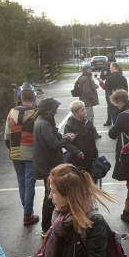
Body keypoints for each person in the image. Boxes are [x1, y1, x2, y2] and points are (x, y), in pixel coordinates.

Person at [33, 98, 79, 232]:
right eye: (54, 110)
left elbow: (54, 137)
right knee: (50, 198)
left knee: (50, 196)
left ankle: (48, 227)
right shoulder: (44, 124)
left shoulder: (43, 121)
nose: (55, 112)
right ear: (48, 111)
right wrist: (67, 138)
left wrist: (63, 136)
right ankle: (47, 228)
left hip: (46, 164)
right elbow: (54, 144)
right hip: (48, 166)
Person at [4, 83, 39, 226]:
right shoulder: (36, 113)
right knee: (30, 183)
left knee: (21, 182)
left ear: (20, 98)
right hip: (31, 152)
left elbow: (7, 136)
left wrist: (12, 149)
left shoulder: (12, 112)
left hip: (15, 151)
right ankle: (27, 215)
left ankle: (27, 210)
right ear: (34, 98)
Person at [109, 89, 129, 223]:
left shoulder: (123, 115)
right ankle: (126, 211)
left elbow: (112, 134)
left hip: (126, 153)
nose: (116, 106)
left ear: (120, 101)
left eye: (116, 103)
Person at [64, 100, 99, 174]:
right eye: (82, 110)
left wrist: (95, 154)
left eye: (84, 109)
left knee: (91, 179)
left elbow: (92, 140)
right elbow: (66, 143)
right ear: (75, 113)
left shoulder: (87, 122)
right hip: (78, 158)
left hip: (90, 156)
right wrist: (77, 151)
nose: (85, 111)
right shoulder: (70, 125)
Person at [76, 65, 101, 137]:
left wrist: (95, 86)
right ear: (87, 70)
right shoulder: (85, 78)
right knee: (89, 118)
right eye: (90, 69)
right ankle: (90, 134)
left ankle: (91, 133)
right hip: (87, 102)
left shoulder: (86, 77)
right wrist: (92, 98)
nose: (92, 70)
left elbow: (89, 86)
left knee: (89, 117)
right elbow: (86, 91)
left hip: (86, 101)